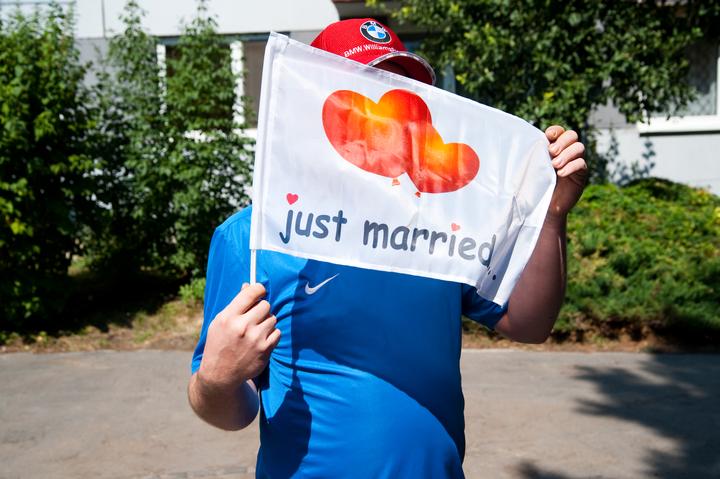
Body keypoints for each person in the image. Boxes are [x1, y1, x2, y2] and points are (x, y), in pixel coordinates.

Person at [188, 18, 587, 478]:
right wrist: (216, 380)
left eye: (400, 94)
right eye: (364, 91)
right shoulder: (251, 235)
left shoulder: (443, 226)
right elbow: (230, 412)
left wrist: (552, 215)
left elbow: (529, 324)